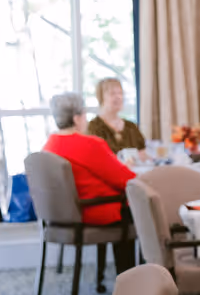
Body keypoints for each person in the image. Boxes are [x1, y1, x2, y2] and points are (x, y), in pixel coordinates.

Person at [41, 91, 137, 272]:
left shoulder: (49, 146)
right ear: (77, 118)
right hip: (93, 212)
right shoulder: (89, 144)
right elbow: (127, 180)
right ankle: (133, 278)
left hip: (62, 215)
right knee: (144, 212)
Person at [85, 77, 145, 156]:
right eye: (112, 93)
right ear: (101, 97)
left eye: (120, 93)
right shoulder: (93, 127)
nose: (118, 97)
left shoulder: (131, 127)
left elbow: (143, 155)